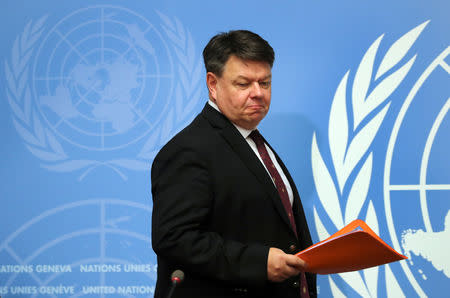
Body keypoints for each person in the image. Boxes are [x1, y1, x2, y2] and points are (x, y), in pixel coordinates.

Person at [151, 30, 316, 298]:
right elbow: (174, 239)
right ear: (213, 85)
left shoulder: (255, 143)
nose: (258, 93)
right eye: (243, 84)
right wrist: (259, 263)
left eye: (265, 83)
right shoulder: (188, 150)